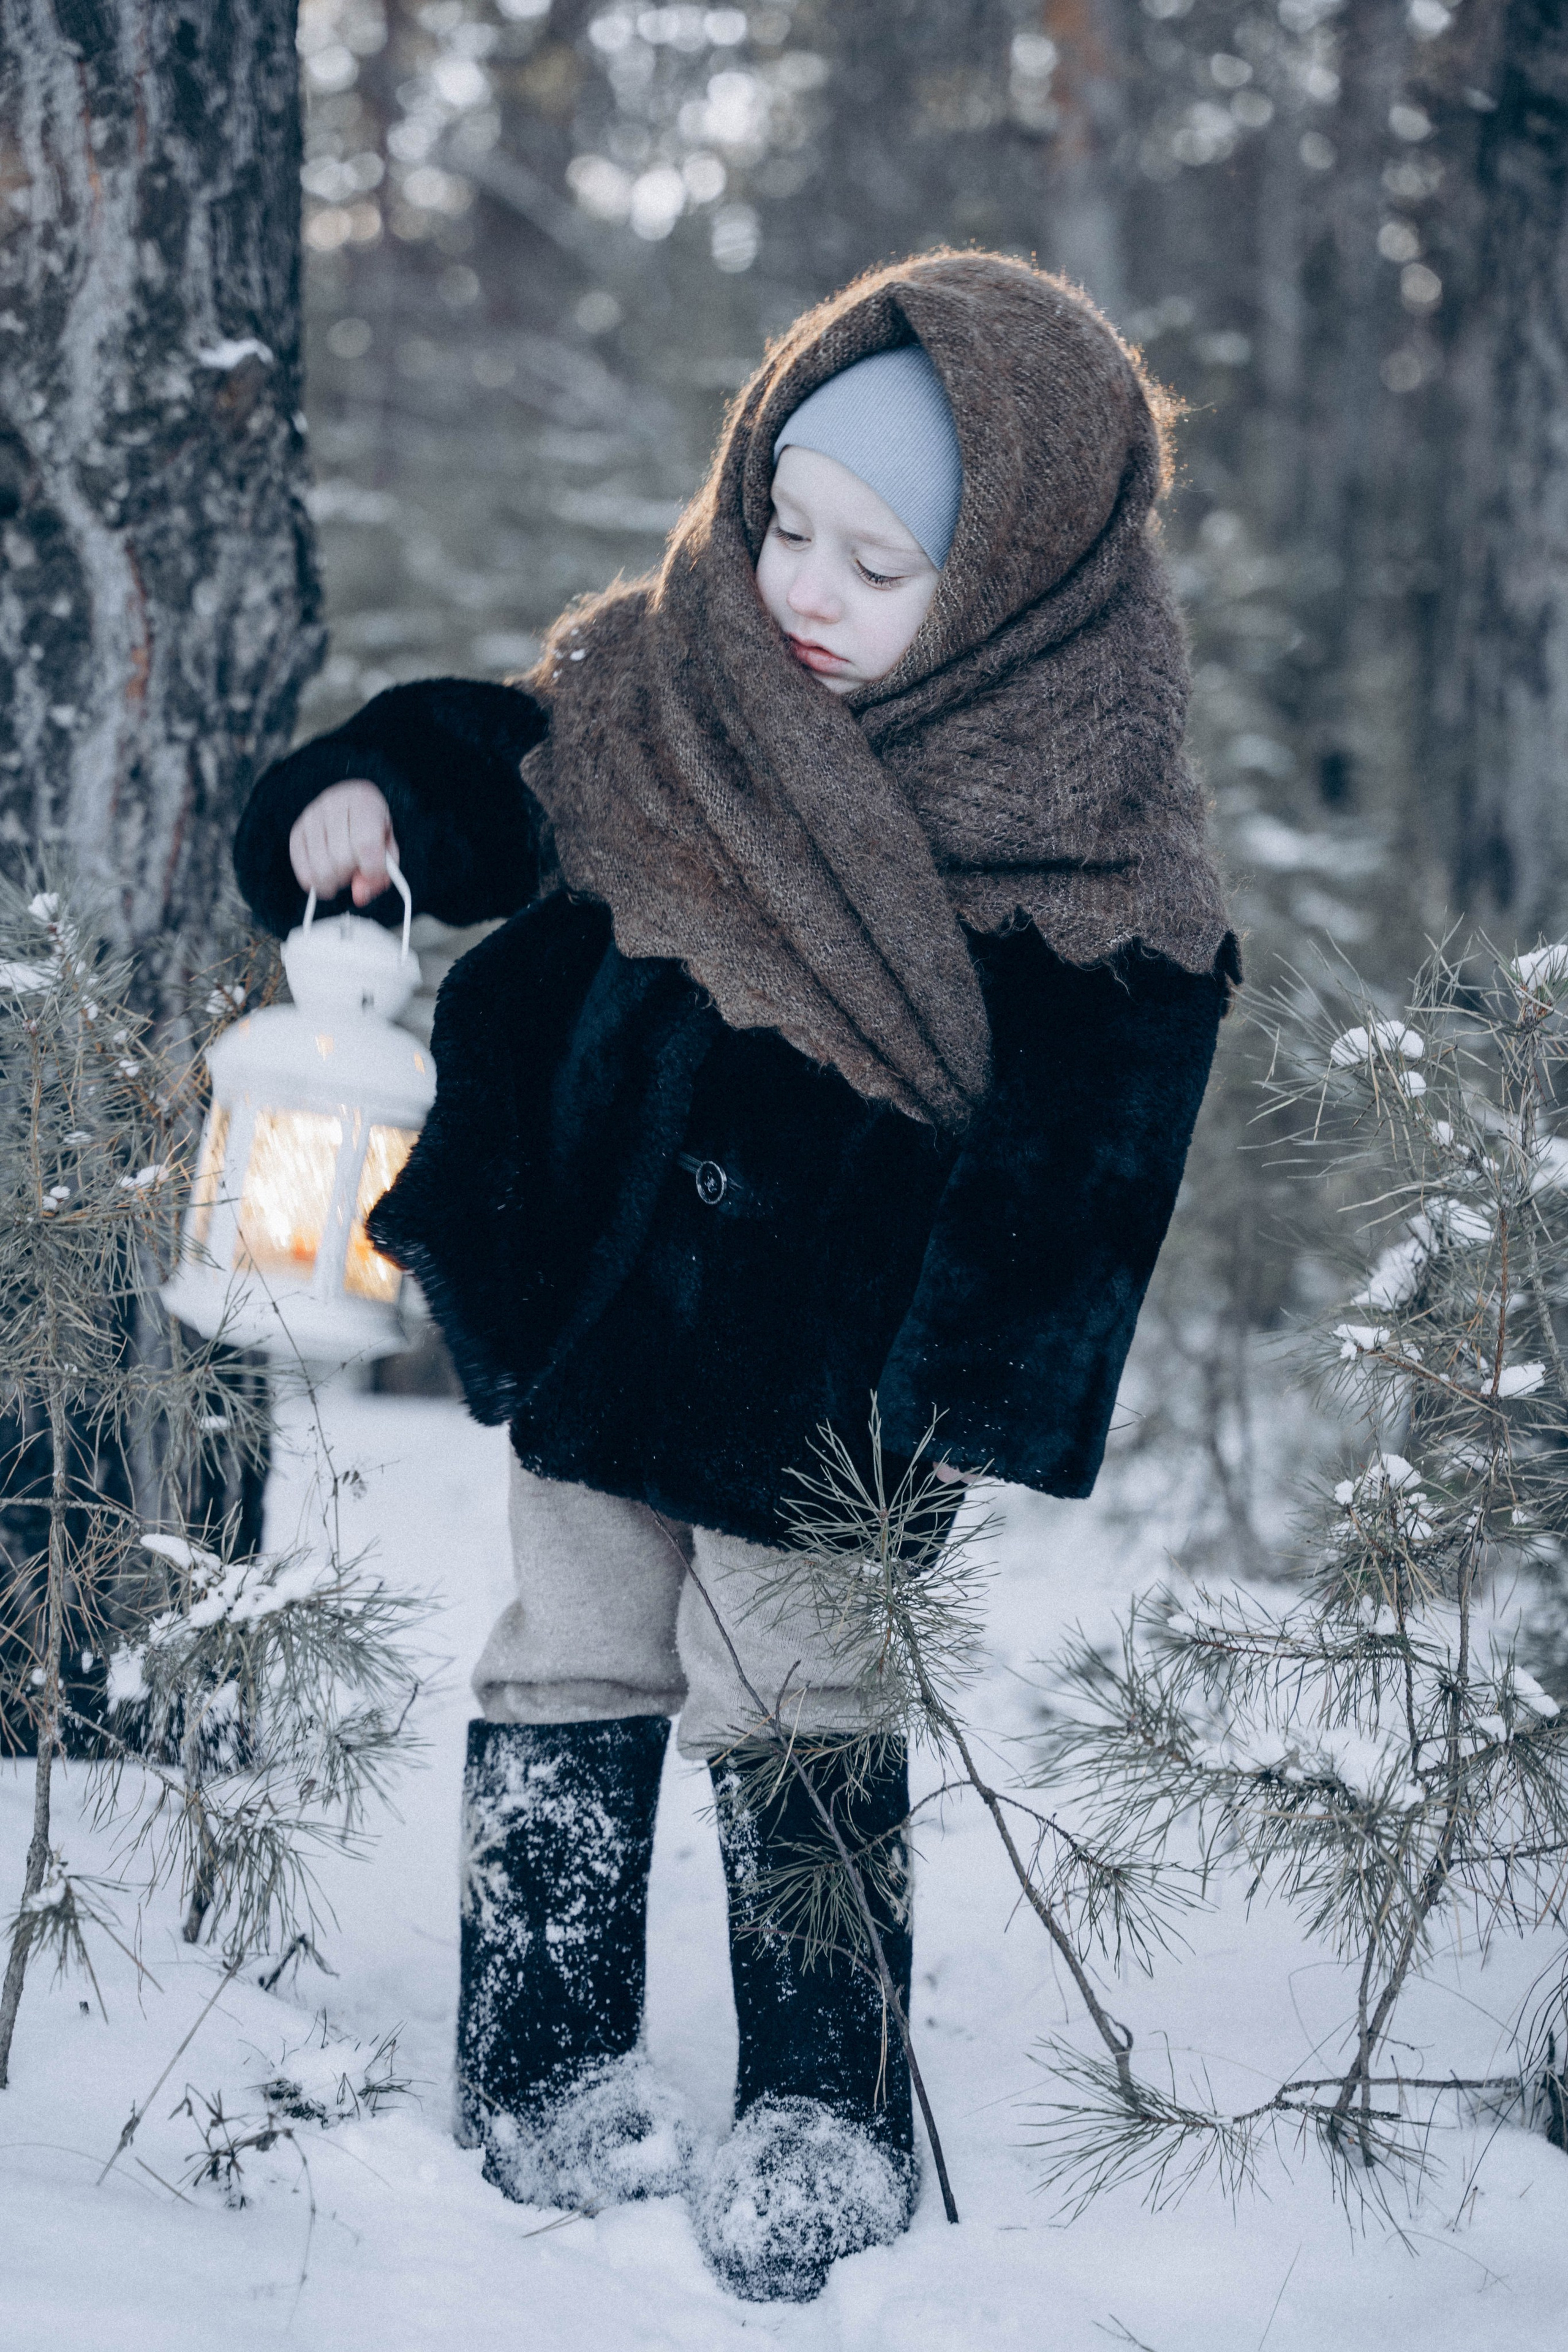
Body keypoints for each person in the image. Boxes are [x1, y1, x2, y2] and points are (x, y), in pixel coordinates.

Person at [233, 251, 1235, 2302]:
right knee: (570, 1647)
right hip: (603, 1294)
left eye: (876, 564)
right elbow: (518, 770)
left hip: (830, 1368)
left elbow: (1092, 1141)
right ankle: (541, 2059)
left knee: (808, 1695)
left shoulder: (1083, 819)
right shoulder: (677, 687)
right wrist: (374, 800)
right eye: (784, 524)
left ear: (1008, 578)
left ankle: (821, 2105)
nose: (803, 590)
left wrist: (966, 1394)